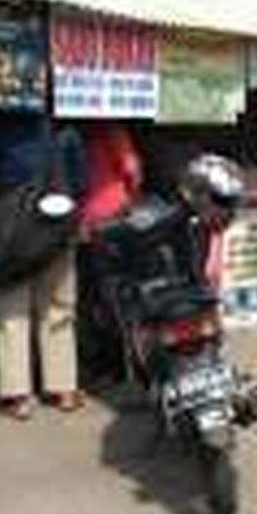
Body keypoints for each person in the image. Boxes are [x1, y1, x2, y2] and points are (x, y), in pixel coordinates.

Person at [0, 114, 86, 421]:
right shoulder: (66, 133)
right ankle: (63, 389)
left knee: (11, 313)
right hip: (57, 235)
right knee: (59, 308)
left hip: (8, 239)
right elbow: (81, 184)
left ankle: (17, 395)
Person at [76, 124, 142, 387]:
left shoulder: (81, 134)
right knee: (112, 296)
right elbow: (132, 170)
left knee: (98, 298)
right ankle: (119, 367)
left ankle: (111, 366)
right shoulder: (112, 131)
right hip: (113, 220)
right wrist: (131, 198)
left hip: (88, 224)